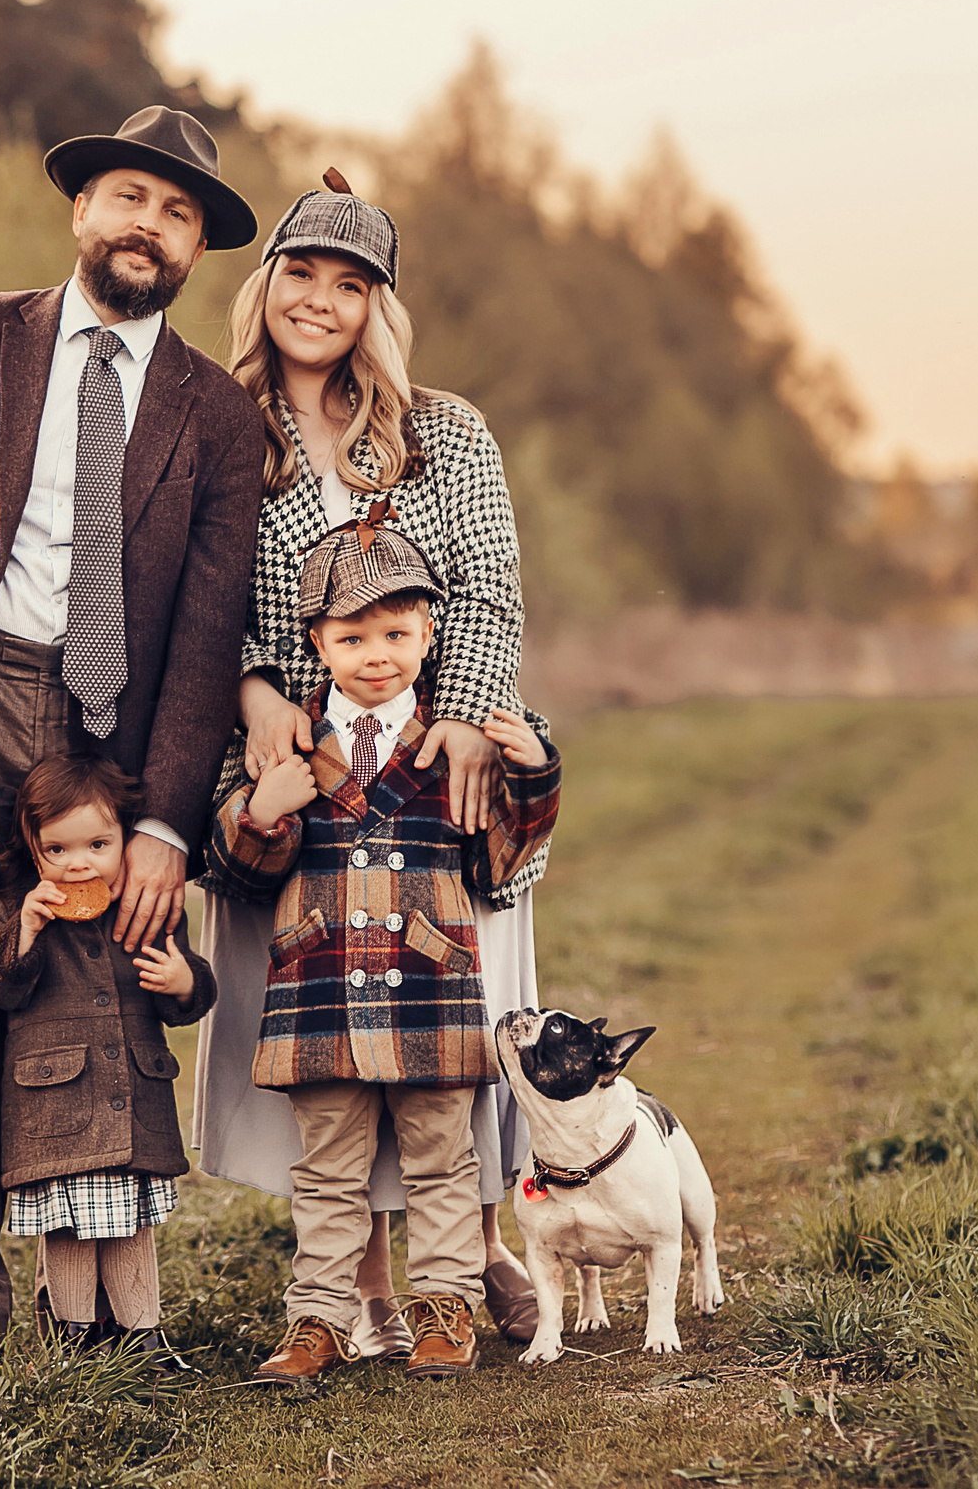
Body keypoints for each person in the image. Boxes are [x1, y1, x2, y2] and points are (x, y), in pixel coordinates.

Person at [0, 106, 268, 1350]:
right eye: (132, 197)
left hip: (111, 734)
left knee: (88, 1007)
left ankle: (84, 1298)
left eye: (181, 213)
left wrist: (161, 826)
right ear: (82, 211)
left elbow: (203, 640)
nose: (152, 225)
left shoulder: (215, 415)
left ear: (196, 252)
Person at [191, 172, 553, 1359]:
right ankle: (365, 1282)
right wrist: (252, 693)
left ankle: (478, 1247)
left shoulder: (441, 429)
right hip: (300, 768)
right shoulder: (220, 430)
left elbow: (491, 590)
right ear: (265, 282)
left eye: (351, 285)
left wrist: (463, 715)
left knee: (446, 1019)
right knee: (334, 1035)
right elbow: (206, 601)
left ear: (377, 307)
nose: (320, 301)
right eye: (301, 272)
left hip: (434, 765)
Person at [206, 519, 560, 1385]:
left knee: (446, 1160)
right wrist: (259, 815)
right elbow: (234, 872)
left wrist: (536, 774)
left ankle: (445, 1307)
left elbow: (498, 861)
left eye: (397, 634)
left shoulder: (451, 747)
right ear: (316, 642)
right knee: (327, 1173)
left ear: (430, 633)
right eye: (352, 636)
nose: (377, 655)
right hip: (319, 992)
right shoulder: (285, 749)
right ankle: (318, 1319)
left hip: (430, 994)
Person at [0, 755, 217, 1370]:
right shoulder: (16, 909)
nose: (80, 864)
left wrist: (183, 980)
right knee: (70, 1231)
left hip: (133, 1099)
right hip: (53, 1109)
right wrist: (23, 931)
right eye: (58, 849)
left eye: (99, 844)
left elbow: (192, 999)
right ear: (33, 848)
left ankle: (145, 1337)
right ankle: (73, 1340)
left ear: (126, 838)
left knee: (132, 1227)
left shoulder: (145, 906)